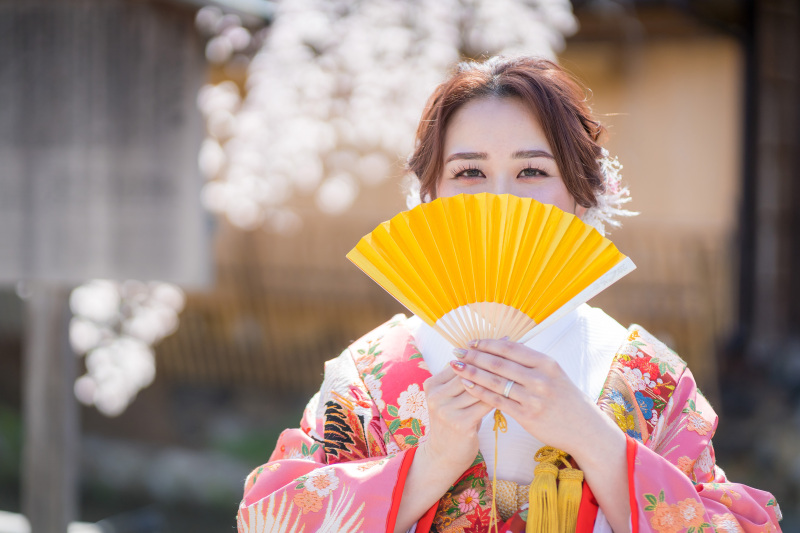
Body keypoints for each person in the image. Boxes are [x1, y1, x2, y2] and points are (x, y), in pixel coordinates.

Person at [236, 57, 783, 533]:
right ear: (430, 194)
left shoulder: (644, 376)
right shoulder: (374, 374)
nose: (501, 198)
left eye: (532, 170)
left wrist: (593, 437)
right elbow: (273, 518)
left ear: (580, 192)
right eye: (469, 170)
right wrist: (430, 463)